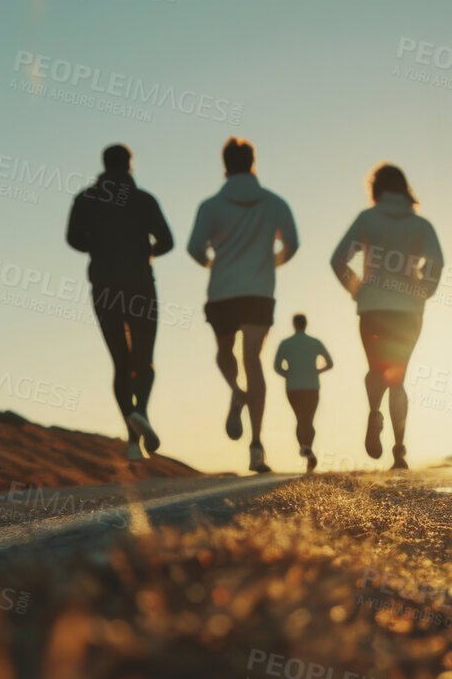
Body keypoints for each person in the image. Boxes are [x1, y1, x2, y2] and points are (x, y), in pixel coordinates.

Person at [186, 137, 298, 473]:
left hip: (222, 291)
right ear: (253, 163)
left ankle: (236, 392)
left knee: (224, 353)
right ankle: (257, 445)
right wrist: (271, 263)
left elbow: (194, 248)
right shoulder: (274, 203)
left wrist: (213, 264)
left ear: (225, 166)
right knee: (253, 359)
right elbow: (292, 243)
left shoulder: (210, 206)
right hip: (259, 292)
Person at [329, 163, 443, 470]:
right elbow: (436, 263)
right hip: (408, 312)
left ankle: (373, 412)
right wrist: (423, 292)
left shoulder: (367, 220)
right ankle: (399, 450)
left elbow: (338, 259)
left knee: (375, 370)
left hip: (373, 308)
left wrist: (357, 290)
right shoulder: (421, 226)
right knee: (399, 379)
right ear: (405, 190)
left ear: (376, 190)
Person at [66, 143, 173, 461]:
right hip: (141, 284)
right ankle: (140, 414)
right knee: (145, 361)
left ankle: (132, 441)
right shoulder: (143, 200)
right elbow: (167, 241)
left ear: (104, 164)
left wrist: (98, 247)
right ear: (130, 165)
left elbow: (72, 238)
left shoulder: (85, 199)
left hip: (104, 287)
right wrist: (145, 253)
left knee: (120, 363)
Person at [272, 313, 334, 473]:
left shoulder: (286, 343)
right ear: (306, 324)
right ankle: (308, 449)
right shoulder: (314, 342)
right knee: (308, 420)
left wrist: (289, 374)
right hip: (311, 386)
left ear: (294, 324)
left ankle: (306, 449)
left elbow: (277, 366)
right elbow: (330, 363)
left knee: (301, 419)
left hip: (293, 387)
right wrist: (316, 371)